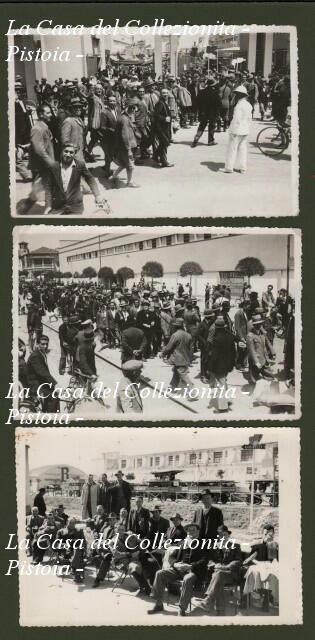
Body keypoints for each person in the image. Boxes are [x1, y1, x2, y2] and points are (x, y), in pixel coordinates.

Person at [148, 522, 208, 616]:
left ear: (198, 532)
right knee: (160, 573)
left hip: (193, 571)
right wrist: (175, 564)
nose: (191, 532)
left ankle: (182, 608)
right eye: (189, 530)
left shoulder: (203, 543)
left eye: (193, 530)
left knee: (188, 579)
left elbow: (205, 560)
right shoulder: (183, 542)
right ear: (187, 532)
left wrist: (191, 566)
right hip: (178, 569)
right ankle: (159, 604)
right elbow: (172, 557)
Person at [45, 143, 106, 215]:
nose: (68, 154)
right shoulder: (54, 166)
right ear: (62, 151)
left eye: (71, 152)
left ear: (75, 154)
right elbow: (49, 187)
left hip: (75, 207)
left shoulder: (80, 165)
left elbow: (90, 179)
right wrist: (48, 205)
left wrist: (97, 195)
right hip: (58, 206)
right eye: (66, 151)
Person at [196, 525, 242, 615]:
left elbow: (238, 561)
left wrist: (227, 566)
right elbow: (209, 560)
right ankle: (220, 611)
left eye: (225, 535)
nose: (223, 537)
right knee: (218, 578)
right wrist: (214, 564)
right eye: (220, 535)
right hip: (217, 574)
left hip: (230, 574)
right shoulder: (213, 546)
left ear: (228, 536)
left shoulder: (235, 546)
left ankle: (208, 600)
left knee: (218, 575)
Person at [18, 104, 55, 214]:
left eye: (50, 112)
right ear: (40, 114)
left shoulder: (43, 126)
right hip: (41, 166)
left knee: (47, 188)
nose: (50, 115)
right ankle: (21, 212)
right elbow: (39, 150)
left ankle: (49, 208)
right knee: (37, 191)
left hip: (45, 164)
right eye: (47, 113)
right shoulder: (37, 128)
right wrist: (51, 162)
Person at [243, 524, 279, 610]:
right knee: (257, 573)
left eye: (270, 534)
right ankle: (258, 596)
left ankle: (268, 600)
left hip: (268, 566)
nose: (267, 536)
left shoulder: (274, 544)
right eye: (265, 533)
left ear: (273, 534)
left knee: (273, 575)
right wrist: (259, 563)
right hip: (256, 564)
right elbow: (250, 558)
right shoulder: (257, 543)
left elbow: (275, 559)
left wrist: (276, 548)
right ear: (262, 533)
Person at [208, 316, 236, 413]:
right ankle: (228, 400)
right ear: (224, 326)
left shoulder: (216, 338)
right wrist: (232, 364)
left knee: (220, 385)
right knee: (224, 382)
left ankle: (223, 407)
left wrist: (210, 367)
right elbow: (234, 351)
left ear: (216, 327)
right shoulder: (230, 336)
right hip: (228, 364)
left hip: (219, 365)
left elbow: (214, 355)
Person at [161, 318, 195, 397]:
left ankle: (193, 392)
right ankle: (173, 387)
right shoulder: (188, 335)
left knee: (183, 374)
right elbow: (191, 348)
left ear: (175, 326)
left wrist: (163, 354)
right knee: (176, 372)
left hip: (178, 358)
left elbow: (169, 347)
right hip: (186, 357)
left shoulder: (175, 335)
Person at [222, 85, 252, 174]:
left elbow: (236, 119)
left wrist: (232, 129)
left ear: (240, 95)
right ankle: (243, 167)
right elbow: (249, 118)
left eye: (237, 94)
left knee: (232, 148)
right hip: (245, 129)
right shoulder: (248, 105)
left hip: (237, 129)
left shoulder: (239, 105)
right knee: (242, 149)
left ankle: (229, 167)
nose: (235, 95)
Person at [26, 335, 60, 412]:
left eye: (46, 344)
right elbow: (42, 372)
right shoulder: (35, 356)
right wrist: (54, 383)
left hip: (40, 380)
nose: (45, 346)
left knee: (55, 392)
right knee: (53, 396)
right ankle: (50, 417)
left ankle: (50, 411)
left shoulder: (41, 353)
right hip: (34, 383)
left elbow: (44, 372)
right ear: (37, 344)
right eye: (43, 344)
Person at [111, 100, 138, 187]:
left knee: (123, 163)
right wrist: (129, 149)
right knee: (130, 165)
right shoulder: (124, 120)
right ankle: (129, 182)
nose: (134, 110)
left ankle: (114, 176)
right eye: (133, 108)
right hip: (125, 147)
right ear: (129, 108)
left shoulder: (123, 117)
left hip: (122, 146)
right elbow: (125, 136)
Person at [191, 77, 221, 147]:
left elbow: (197, 102)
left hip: (203, 112)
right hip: (212, 113)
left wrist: (200, 110)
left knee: (202, 125)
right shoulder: (215, 93)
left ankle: (196, 138)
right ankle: (210, 140)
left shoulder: (202, 92)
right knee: (212, 126)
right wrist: (217, 112)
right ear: (213, 85)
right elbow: (219, 104)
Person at [100, 94, 120, 177]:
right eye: (110, 101)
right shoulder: (104, 112)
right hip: (108, 138)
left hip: (116, 137)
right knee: (108, 156)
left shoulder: (118, 110)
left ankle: (106, 168)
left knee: (113, 154)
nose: (112, 102)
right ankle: (107, 172)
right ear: (107, 102)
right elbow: (102, 126)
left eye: (114, 101)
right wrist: (111, 130)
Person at [153, 88, 174, 167]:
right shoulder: (160, 103)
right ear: (161, 94)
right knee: (164, 143)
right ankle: (163, 161)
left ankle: (156, 156)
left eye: (166, 93)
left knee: (164, 143)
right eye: (163, 93)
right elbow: (156, 115)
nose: (165, 94)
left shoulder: (164, 102)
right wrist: (164, 118)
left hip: (164, 127)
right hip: (161, 128)